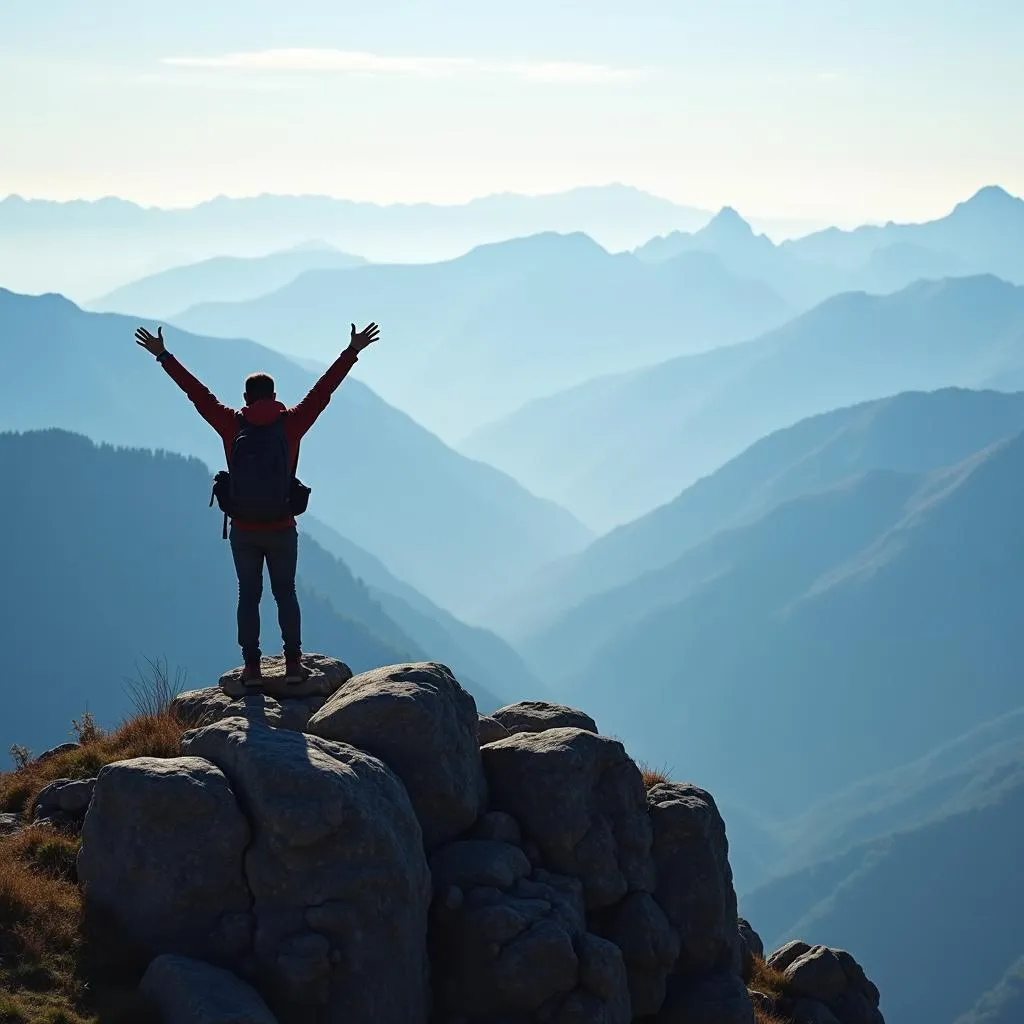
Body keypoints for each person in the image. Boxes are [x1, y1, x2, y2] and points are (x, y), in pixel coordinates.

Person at [133, 321, 380, 685]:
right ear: (274, 394)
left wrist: (163, 355)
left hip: (244, 529)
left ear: (247, 399)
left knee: (248, 596)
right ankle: (294, 666)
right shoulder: (292, 423)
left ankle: (252, 669)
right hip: (282, 526)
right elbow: (324, 390)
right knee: (286, 594)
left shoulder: (231, 425)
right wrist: (352, 351)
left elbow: (197, 394)